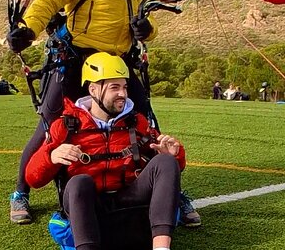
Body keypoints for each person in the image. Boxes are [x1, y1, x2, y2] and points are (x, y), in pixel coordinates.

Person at [6, 0, 178, 224]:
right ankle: (21, 192)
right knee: (50, 123)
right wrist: (29, 29)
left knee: (144, 119)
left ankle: (170, 187)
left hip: (118, 62)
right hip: (75, 58)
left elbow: (145, 20)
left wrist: (146, 30)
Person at [26, 53, 185, 250]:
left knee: (166, 162)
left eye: (125, 87)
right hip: (88, 206)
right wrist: (50, 157)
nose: (123, 94)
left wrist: (174, 155)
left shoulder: (138, 122)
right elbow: (33, 178)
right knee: (79, 182)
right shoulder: (66, 126)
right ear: (93, 89)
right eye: (114, 87)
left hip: (129, 199)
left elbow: (168, 172)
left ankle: (161, 247)